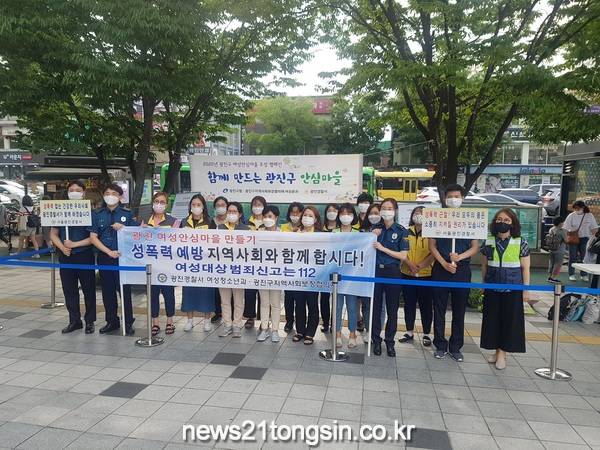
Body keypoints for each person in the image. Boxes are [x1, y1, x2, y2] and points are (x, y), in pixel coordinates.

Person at [429, 184, 480, 361]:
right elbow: (432, 246)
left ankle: (456, 346)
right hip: (441, 268)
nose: (453, 199)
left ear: (462, 198)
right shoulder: (437, 218)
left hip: (462, 269)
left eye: (457, 196)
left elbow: (475, 247)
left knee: (459, 310)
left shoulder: (470, 219)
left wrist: (459, 257)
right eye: (450, 196)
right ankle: (440, 345)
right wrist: (444, 263)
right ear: (445, 199)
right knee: (439, 309)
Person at [480, 208, 530, 370]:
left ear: (513, 223)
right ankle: (496, 351)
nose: (503, 223)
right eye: (499, 219)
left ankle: (502, 353)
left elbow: (525, 269)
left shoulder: (521, 242)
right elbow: (484, 265)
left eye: (507, 220)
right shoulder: (488, 241)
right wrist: (483, 284)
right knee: (492, 321)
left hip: (512, 289)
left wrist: (526, 290)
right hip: (492, 287)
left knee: (509, 321)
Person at [89, 183, 139, 335]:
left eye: (114, 193)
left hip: (123, 258)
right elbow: (93, 237)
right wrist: (108, 252)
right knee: (107, 291)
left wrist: (124, 228)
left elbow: (135, 234)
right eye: (107, 193)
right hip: (105, 257)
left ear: (120, 196)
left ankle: (128, 322)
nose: (110, 196)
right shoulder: (97, 214)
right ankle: (111, 321)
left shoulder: (127, 213)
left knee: (124, 291)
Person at [49, 180, 97, 334]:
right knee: (69, 290)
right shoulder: (61, 210)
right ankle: (74, 320)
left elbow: (93, 237)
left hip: (84, 255)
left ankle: (90, 321)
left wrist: (74, 244)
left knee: (88, 289)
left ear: (83, 193)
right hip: (66, 257)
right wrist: (62, 247)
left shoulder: (90, 212)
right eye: (71, 190)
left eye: (78, 190)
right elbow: (53, 234)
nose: (74, 192)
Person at [371, 198, 408, 357]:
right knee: (376, 308)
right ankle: (376, 341)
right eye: (383, 208)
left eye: (389, 208)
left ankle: (390, 342)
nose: (386, 211)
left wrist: (383, 248)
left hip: (393, 272)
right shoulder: (375, 229)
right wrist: (371, 237)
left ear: (395, 211)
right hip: (375, 272)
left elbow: (403, 256)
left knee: (392, 310)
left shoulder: (401, 231)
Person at [144, 192, 179, 336]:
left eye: (162, 202)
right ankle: (155, 323)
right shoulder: (144, 220)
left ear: (166, 205)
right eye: (157, 201)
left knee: (168, 293)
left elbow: (177, 241)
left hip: (166, 264)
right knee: (152, 294)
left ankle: (170, 321)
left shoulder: (174, 221)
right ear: (153, 203)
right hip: (149, 263)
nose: (159, 204)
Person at [398, 206, 434, 346]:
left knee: (426, 305)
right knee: (409, 304)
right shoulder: (405, 232)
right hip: (407, 273)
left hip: (426, 274)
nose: (419, 215)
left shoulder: (432, 233)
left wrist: (421, 266)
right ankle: (409, 331)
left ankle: (426, 334)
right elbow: (401, 250)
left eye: (422, 213)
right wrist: (410, 264)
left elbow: (434, 252)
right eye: (417, 213)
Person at [180, 194, 216, 332]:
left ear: (203, 207)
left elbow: (214, 242)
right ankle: (190, 320)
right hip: (189, 263)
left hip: (205, 264)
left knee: (206, 292)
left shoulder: (210, 222)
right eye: (193, 205)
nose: (196, 207)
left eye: (198, 205)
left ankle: (207, 321)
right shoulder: (183, 222)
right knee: (189, 291)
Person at [217, 201, 249, 337]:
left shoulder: (246, 229)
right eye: (229, 211)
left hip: (238, 270)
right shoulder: (220, 228)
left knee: (238, 300)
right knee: (224, 300)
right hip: (223, 269)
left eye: (234, 212)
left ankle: (237, 325)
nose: (231, 214)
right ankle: (227, 324)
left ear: (240, 214)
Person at [292, 205, 322, 345]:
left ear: (315, 219)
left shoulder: (320, 235)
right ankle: (300, 331)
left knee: (312, 304)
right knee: (299, 304)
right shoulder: (295, 233)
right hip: (298, 274)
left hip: (314, 275)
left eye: (310, 216)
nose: (307, 218)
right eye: (305, 215)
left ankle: (310, 333)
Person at [333, 203, 360, 348]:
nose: (345, 216)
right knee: (337, 307)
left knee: (352, 307)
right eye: (342, 213)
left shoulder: (359, 233)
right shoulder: (334, 232)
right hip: (336, 276)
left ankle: (352, 334)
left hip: (352, 276)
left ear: (353, 216)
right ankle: (337, 334)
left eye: (348, 213)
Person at [256, 205, 283, 342]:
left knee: (275, 303)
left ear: (276, 217)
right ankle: (264, 329)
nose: (267, 219)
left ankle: (275, 330)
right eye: (265, 216)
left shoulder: (283, 234)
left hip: (277, 273)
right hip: (262, 273)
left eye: (270, 216)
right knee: (264, 302)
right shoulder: (258, 233)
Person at [243, 196, 267, 329]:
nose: (257, 207)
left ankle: (264, 319)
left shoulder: (268, 222)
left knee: (264, 293)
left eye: (260, 204)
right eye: (255, 204)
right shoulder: (246, 222)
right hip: (249, 262)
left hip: (265, 263)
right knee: (250, 292)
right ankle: (250, 317)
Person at [281, 202, 304, 332]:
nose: (295, 215)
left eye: (298, 212)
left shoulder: (306, 228)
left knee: (299, 299)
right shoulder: (283, 227)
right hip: (287, 267)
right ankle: (289, 321)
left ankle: (300, 324)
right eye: (292, 212)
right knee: (288, 297)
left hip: (301, 268)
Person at [565, 200, 598, 282]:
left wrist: (594, 238)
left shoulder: (589, 215)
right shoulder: (571, 216)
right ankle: (571, 274)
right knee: (572, 257)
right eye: (575, 208)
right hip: (573, 239)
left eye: (578, 208)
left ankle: (584, 274)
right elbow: (565, 228)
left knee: (584, 257)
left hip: (585, 238)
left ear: (583, 207)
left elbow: (594, 228)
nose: (576, 210)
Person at [320, 203, 339, 332]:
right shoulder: (321, 227)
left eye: (334, 210)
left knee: (337, 299)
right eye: (329, 210)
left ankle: (335, 324)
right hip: (323, 268)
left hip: (338, 267)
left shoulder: (341, 228)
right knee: (324, 298)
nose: (332, 213)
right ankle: (326, 322)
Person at [209, 196, 228, 322]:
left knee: (229, 287)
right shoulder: (211, 222)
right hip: (215, 259)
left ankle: (229, 313)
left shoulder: (232, 221)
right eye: (218, 205)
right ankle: (218, 312)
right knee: (216, 288)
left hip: (230, 258)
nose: (220, 207)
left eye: (223, 205)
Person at [547, 216, 567, 283]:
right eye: (563, 222)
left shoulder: (551, 229)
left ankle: (550, 277)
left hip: (551, 249)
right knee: (558, 264)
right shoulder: (562, 231)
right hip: (559, 250)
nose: (563, 223)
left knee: (551, 263)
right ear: (560, 223)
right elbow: (566, 240)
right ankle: (553, 278)